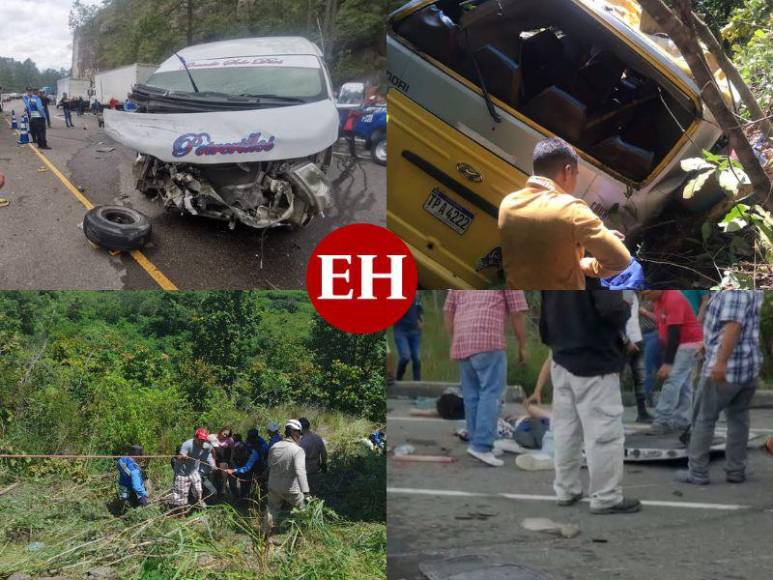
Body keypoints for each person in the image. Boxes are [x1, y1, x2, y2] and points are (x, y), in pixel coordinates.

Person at [541, 285, 641, 514]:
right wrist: (626, 305)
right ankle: (606, 497)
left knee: (566, 429)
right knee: (604, 433)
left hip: (562, 354)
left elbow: (546, 308)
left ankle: (566, 489)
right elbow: (611, 307)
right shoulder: (602, 256)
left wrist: (553, 342)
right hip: (595, 356)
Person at [498, 137, 631, 289]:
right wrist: (585, 265)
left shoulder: (508, 204)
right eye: (576, 174)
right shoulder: (572, 210)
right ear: (567, 171)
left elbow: (542, 243)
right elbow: (621, 260)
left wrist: (581, 238)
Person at [677, 291, 763, 485]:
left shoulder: (735, 290)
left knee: (704, 419)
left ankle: (697, 472)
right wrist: (707, 345)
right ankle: (736, 470)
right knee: (738, 419)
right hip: (747, 366)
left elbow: (733, 326)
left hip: (727, 368)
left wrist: (720, 362)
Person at [444, 290, 528, 467]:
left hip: (463, 341)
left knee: (472, 396)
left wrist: (453, 341)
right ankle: (482, 446)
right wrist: (522, 346)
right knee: (491, 394)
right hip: (488, 340)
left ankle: (476, 442)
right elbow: (517, 312)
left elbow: (448, 310)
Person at [642, 291, 703, 435]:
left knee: (673, 380)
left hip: (689, 343)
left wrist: (668, 363)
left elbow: (674, 332)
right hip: (681, 343)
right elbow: (664, 328)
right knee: (684, 384)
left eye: (646, 293)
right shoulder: (658, 301)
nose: (644, 297)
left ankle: (662, 421)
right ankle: (682, 420)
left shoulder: (673, 298)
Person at [263, 420, 310, 534]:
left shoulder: (274, 446)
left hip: (274, 486)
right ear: (295, 433)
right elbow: (300, 471)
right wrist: (306, 492)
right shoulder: (298, 450)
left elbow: (269, 465)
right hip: (291, 489)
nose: (300, 437)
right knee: (303, 511)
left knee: (271, 510)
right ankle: (302, 536)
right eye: (300, 434)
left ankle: (264, 535)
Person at [623, 291, 655, 423]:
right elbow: (621, 317)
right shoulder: (625, 292)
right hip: (626, 340)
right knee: (617, 377)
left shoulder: (633, 294)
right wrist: (626, 339)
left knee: (639, 377)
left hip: (636, 337)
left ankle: (642, 411)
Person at [171, 428, 216, 509]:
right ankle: (180, 511)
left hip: (196, 472)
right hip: (183, 473)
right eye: (200, 440)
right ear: (195, 438)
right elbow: (179, 460)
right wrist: (183, 458)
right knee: (181, 494)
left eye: (204, 440)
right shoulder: (187, 445)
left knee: (202, 490)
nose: (202, 442)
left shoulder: (206, 447)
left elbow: (209, 454)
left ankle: (198, 502)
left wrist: (213, 465)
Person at [227, 428, 268, 500]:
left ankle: (246, 501)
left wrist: (233, 470)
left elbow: (246, 468)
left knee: (248, 487)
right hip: (258, 469)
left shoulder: (255, 452)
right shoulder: (258, 442)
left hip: (256, 471)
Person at [393, 294, 423, 381]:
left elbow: (419, 310)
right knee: (405, 357)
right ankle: (398, 379)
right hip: (400, 331)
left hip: (415, 331)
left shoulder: (416, 296)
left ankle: (417, 385)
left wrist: (421, 321)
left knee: (417, 359)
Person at [639, 295, 661, 408]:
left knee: (650, 369)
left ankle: (650, 397)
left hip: (653, 334)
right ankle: (648, 398)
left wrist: (644, 312)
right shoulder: (637, 298)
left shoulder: (653, 300)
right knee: (645, 369)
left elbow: (659, 319)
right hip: (639, 336)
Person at [299, 417, 328, 491]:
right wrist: (324, 464)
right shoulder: (317, 438)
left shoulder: (302, 443)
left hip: (306, 472)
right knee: (316, 493)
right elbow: (324, 454)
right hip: (316, 469)